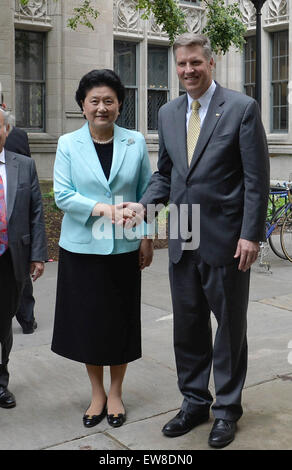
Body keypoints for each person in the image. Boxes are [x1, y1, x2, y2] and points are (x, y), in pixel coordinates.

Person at [122, 33, 270, 448]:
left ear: (211, 63)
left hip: (227, 240)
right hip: (182, 236)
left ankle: (226, 410)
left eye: (195, 63)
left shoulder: (240, 108)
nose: (188, 70)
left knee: (228, 329)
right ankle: (193, 402)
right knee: (188, 327)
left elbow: (256, 179)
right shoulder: (168, 113)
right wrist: (145, 208)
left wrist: (250, 234)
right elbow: (166, 175)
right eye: (181, 64)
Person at [51, 69, 153, 429]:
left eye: (109, 100)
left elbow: (145, 193)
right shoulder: (67, 144)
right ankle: (97, 393)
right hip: (82, 250)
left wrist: (146, 236)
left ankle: (116, 392)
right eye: (94, 101)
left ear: (119, 104)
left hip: (124, 250)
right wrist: (105, 210)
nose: (101, 107)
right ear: (82, 105)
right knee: (90, 325)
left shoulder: (135, 141)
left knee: (121, 323)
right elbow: (62, 195)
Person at [0, 106, 47, 409]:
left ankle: (0, 382)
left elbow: (36, 212)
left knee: (4, 322)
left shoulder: (24, 165)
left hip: (10, 258)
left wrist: (38, 255)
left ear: (6, 130)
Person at [1, 98, 37, 335]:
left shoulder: (17, 137)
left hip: (13, 234)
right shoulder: (20, 134)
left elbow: (35, 209)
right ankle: (26, 319)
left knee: (19, 281)